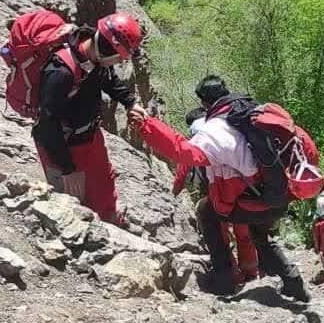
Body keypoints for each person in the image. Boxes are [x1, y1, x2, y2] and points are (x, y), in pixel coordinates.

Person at [130, 75, 310, 301]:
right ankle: (293, 281)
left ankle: (224, 279)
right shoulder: (254, 112)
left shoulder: (215, 129)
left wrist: (147, 124)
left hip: (253, 200)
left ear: (205, 103)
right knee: (259, 233)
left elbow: (184, 153)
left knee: (207, 212)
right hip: (279, 193)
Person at [32, 13, 143, 226]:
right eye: (119, 56)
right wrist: (67, 168)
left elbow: (109, 80)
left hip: (89, 135)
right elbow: (47, 123)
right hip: (62, 145)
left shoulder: (96, 57)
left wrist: (130, 102)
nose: (120, 61)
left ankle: (110, 217)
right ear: (108, 48)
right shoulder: (60, 72)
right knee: (74, 202)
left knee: (103, 182)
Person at [174, 108, 260, 284]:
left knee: (221, 234)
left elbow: (182, 170)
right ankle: (251, 271)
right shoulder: (227, 131)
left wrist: (173, 193)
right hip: (241, 190)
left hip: (215, 194)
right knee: (243, 232)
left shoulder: (195, 139)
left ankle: (231, 272)